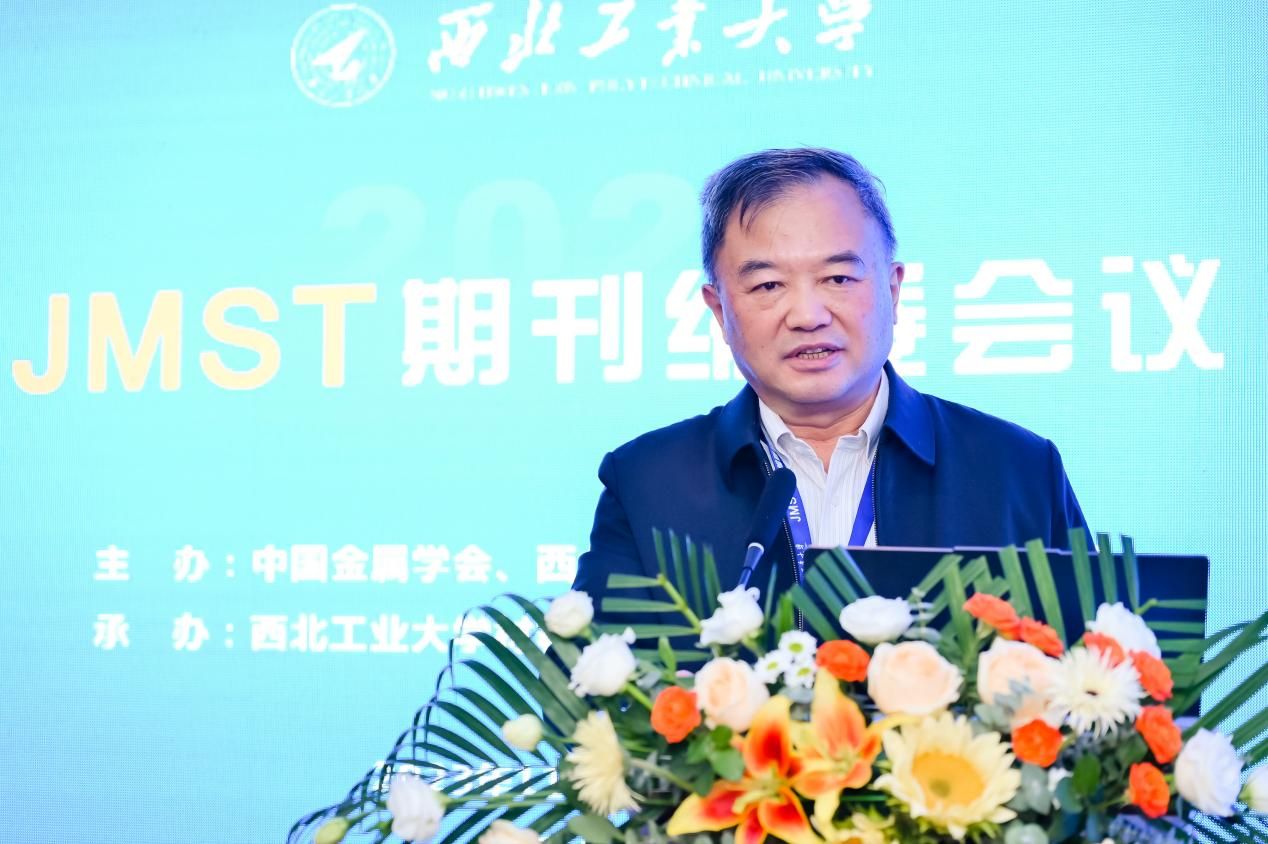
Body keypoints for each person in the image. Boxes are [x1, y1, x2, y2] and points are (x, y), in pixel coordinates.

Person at [572, 148, 1087, 619]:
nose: (807, 315)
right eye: (768, 285)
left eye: (838, 278)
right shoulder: (646, 483)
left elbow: (1092, 664)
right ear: (719, 310)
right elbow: (592, 681)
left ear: (893, 289)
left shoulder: (1016, 470)